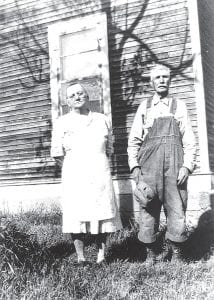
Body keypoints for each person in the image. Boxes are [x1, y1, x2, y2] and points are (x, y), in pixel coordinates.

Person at [127, 64, 196, 262]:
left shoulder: (179, 105)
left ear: (170, 80)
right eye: (157, 77)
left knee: (177, 207)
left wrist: (187, 166)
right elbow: (133, 141)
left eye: (165, 77)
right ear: (151, 82)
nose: (162, 80)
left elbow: (189, 140)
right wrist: (135, 168)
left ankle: (177, 254)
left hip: (175, 166)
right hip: (148, 167)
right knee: (148, 208)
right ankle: (152, 253)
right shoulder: (145, 107)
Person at [51, 82, 122, 264]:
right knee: (76, 213)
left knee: (101, 211)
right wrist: (73, 168)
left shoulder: (102, 119)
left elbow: (109, 148)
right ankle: (81, 257)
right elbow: (57, 153)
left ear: (87, 96)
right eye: (73, 95)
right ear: (67, 101)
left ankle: (101, 255)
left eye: (81, 93)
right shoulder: (62, 122)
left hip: (99, 170)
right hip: (75, 173)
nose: (77, 97)